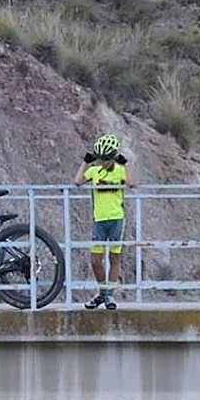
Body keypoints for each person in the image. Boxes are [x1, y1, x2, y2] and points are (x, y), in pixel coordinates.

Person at [74, 133, 133, 310]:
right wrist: (86, 162)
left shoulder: (120, 171)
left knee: (114, 258)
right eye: (101, 159)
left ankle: (109, 296)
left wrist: (126, 164)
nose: (104, 162)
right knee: (95, 260)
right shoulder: (94, 170)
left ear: (114, 156)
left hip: (116, 218)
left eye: (107, 159)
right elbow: (77, 181)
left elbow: (131, 183)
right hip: (99, 219)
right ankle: (103, 293)